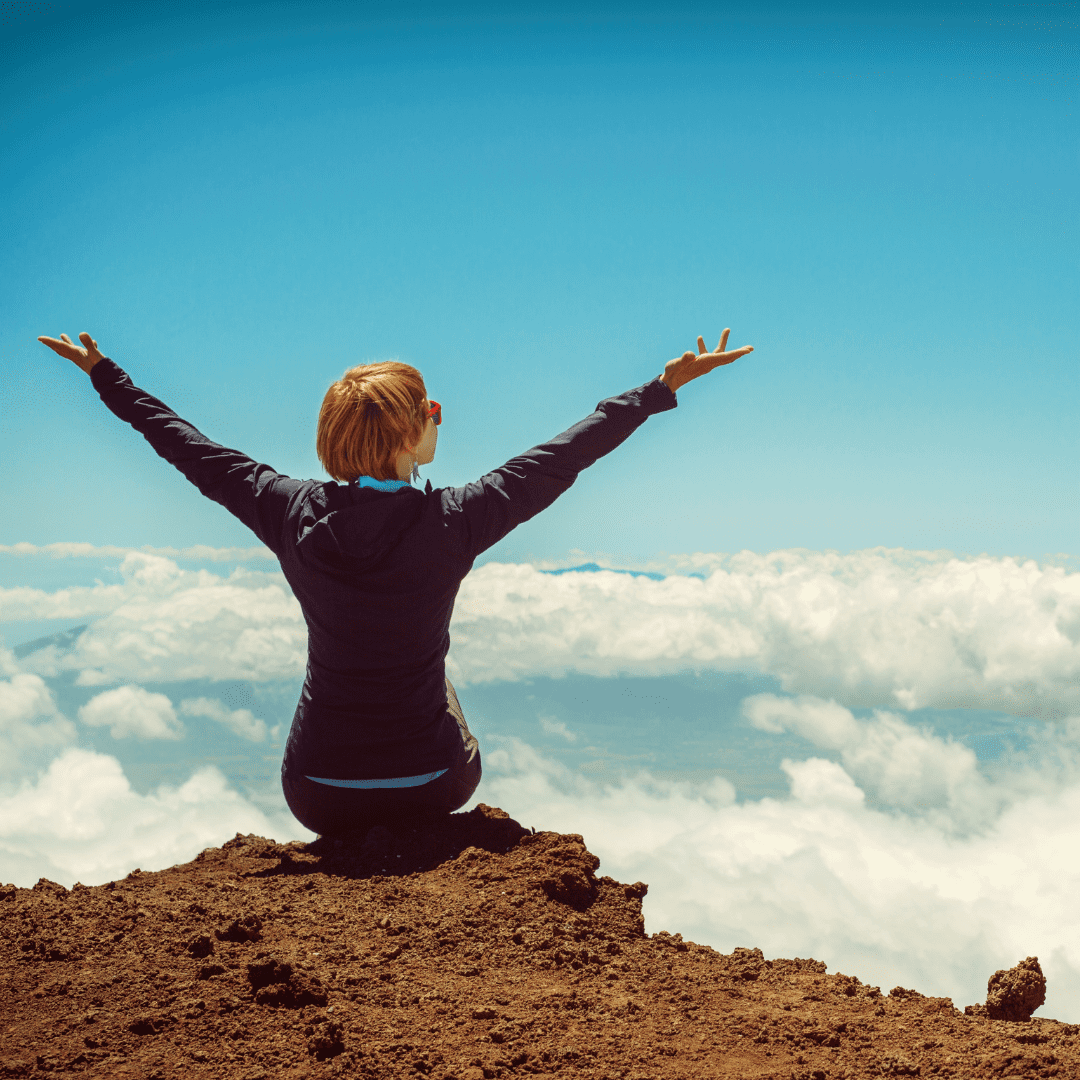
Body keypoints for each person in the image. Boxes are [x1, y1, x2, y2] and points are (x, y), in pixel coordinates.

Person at [38, 328, 754, 837]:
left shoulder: (282, 508)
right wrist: (660, 389)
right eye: (432, 412)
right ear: (413, 433)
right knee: (433, 673)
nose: (438, 420)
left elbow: (182, 442)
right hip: (435, 786)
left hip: (318, 794)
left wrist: (107, 374)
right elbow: (566, 454)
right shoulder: (461, 518)